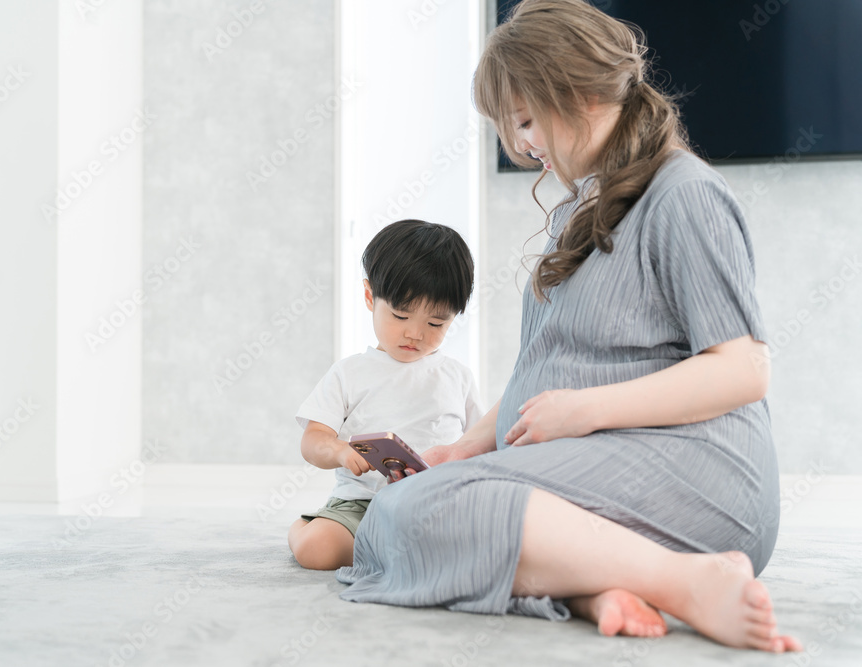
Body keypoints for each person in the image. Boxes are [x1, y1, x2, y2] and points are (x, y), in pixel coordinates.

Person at [334, 0, 803, 653]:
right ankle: (595, 587)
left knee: (411, 515)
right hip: (598, 459)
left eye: (527, 121)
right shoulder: (576, 211)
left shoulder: (683, 194)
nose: (524, 146)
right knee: (394, 514)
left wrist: (586, 409)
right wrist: (461, 450)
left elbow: (744, 370)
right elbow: (546, 367)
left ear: (581, 93)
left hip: (698, 472)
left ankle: (688, 580)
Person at [287, 219, 483, 570]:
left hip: (433, 506)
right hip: (361, 504)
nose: (416, 333)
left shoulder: (458, 377)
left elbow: (481, 443)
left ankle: (393, 548)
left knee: (486, 543)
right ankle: (304, 528)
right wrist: (340, 451)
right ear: (369, 297)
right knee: (318, 550)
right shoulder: (349, 372)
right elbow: (313, 440)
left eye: (436, 323)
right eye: (400, 315)